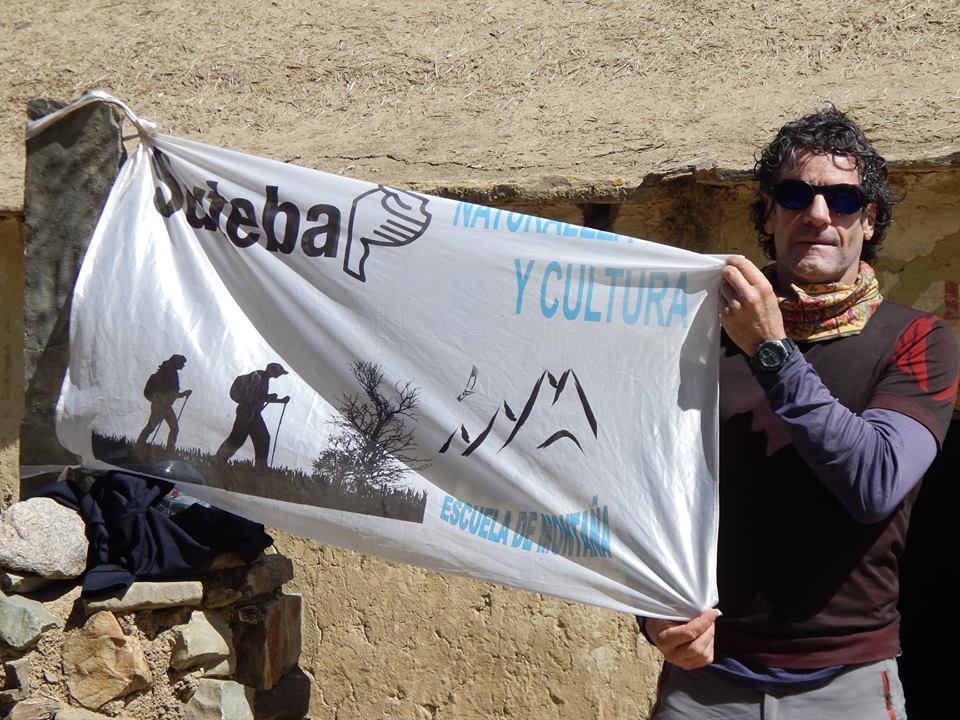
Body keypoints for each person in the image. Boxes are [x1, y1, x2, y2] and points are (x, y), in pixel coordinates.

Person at [642, 107, 959, 718]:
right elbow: (650, 485)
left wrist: (772, 350)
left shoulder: (918, 340)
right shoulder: (698, 333)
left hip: (847, 685)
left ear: (869, 220)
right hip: (706, 685)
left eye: (842, 199)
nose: (817, 214)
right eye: (795, 195)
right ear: (769, 214)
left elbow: (874, 481)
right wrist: (654, 613)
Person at [215, 362, 290, 468]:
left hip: (251, 414)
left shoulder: (264, 379)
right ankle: (220, 460)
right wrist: (268, 397)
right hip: (248, 414)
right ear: (272, 371)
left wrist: (280, 400)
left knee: (242, 439)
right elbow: (253, 396)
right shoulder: (257, 377)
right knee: (249, 439)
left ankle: (219, 460)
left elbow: (260, 397)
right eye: (279, 373)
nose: (279, 375)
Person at [136, 354, 192, 449]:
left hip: (165, 406)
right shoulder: (169, 375)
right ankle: (141, 443)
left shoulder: (170, 373)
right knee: (156, 426)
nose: (183, 365)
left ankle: (142, 444)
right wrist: (182, 394)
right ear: (176, 362)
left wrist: (183, 394)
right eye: (182, 363)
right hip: (161, 406)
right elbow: (169, 393)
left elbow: (171, 394)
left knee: (170, 428)